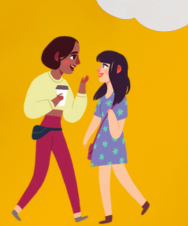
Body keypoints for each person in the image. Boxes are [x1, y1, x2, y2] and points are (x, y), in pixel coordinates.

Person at [13, 36, 89, 222]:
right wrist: (52, 102)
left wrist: (81, 92)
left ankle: (77, 214)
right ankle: (18, 208)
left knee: (69, 172)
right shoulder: (40, 82)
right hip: (45, 132)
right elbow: (29, 111)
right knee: (39, 176)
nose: (77, 62)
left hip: (58, 132)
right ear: (58, 56)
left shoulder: (65, 85)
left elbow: (71, 116)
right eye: (73, 56)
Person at [83, 51, 149, 224]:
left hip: (113, 145)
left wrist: (111, 115)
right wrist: (86, 136)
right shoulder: (102, 99)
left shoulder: (120, 100)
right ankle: (109, 215)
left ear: (117, 69)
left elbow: (117, 132)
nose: (99, 69)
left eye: (104, 66)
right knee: (103, 178)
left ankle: (143, 202)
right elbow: (95, 120)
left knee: (122, 177)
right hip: (101, 146)